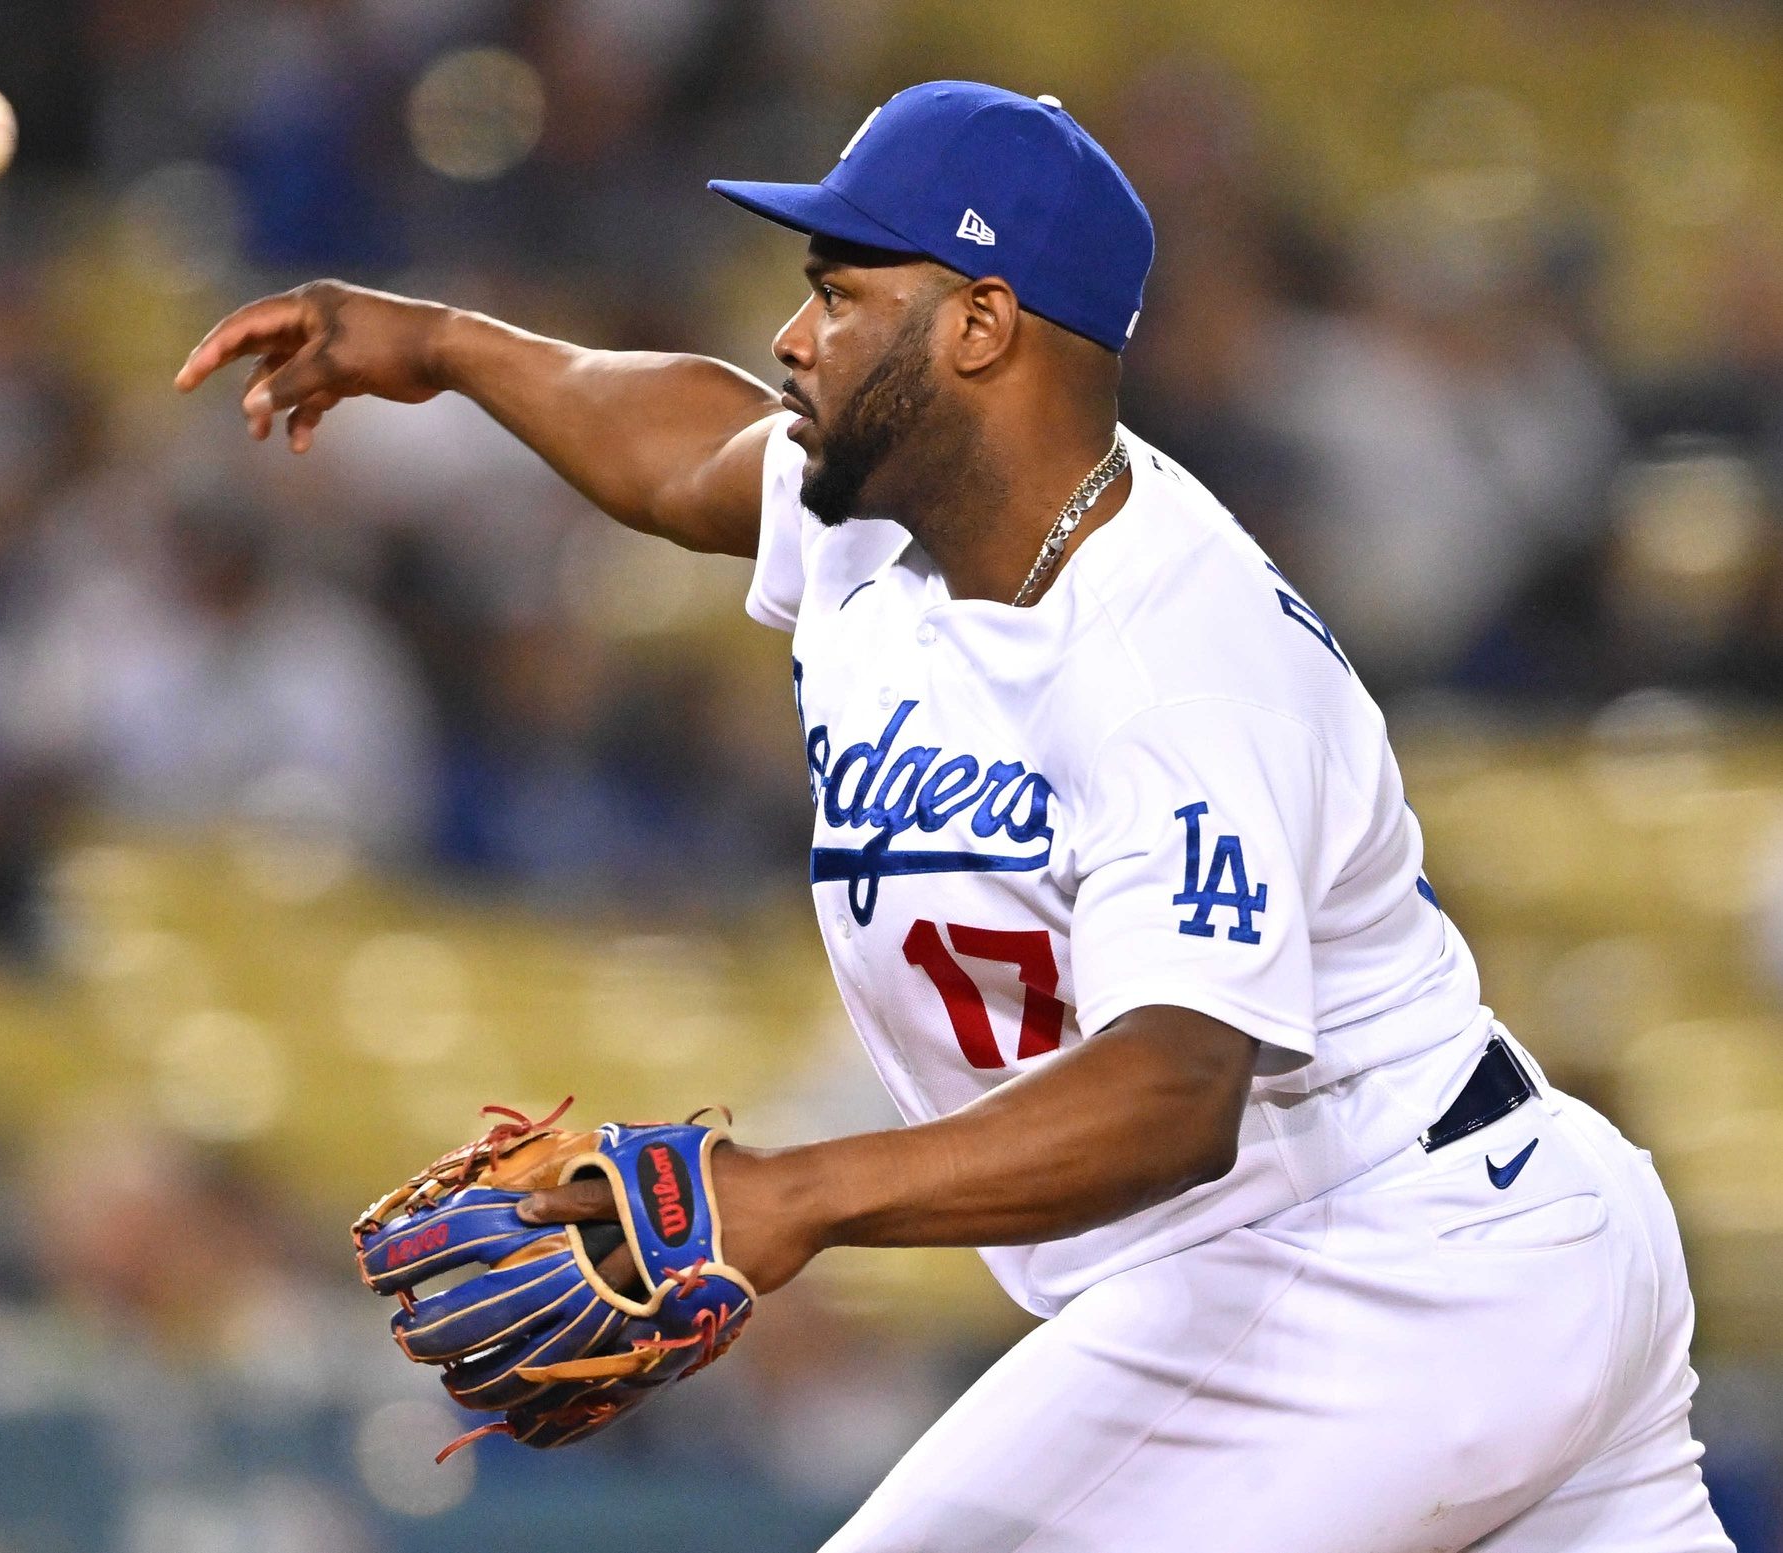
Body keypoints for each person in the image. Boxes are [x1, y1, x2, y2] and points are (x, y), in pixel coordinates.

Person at [176, 80, 1731, 1553]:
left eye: (842, 293)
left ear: (982, 324)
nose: (793, 336)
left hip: (1382, 1258)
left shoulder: (1171, 651)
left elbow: (1170, 1095)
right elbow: (673, 450)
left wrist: (792, 1194)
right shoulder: (876, 514)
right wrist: (443, 344)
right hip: (1437, 1253)